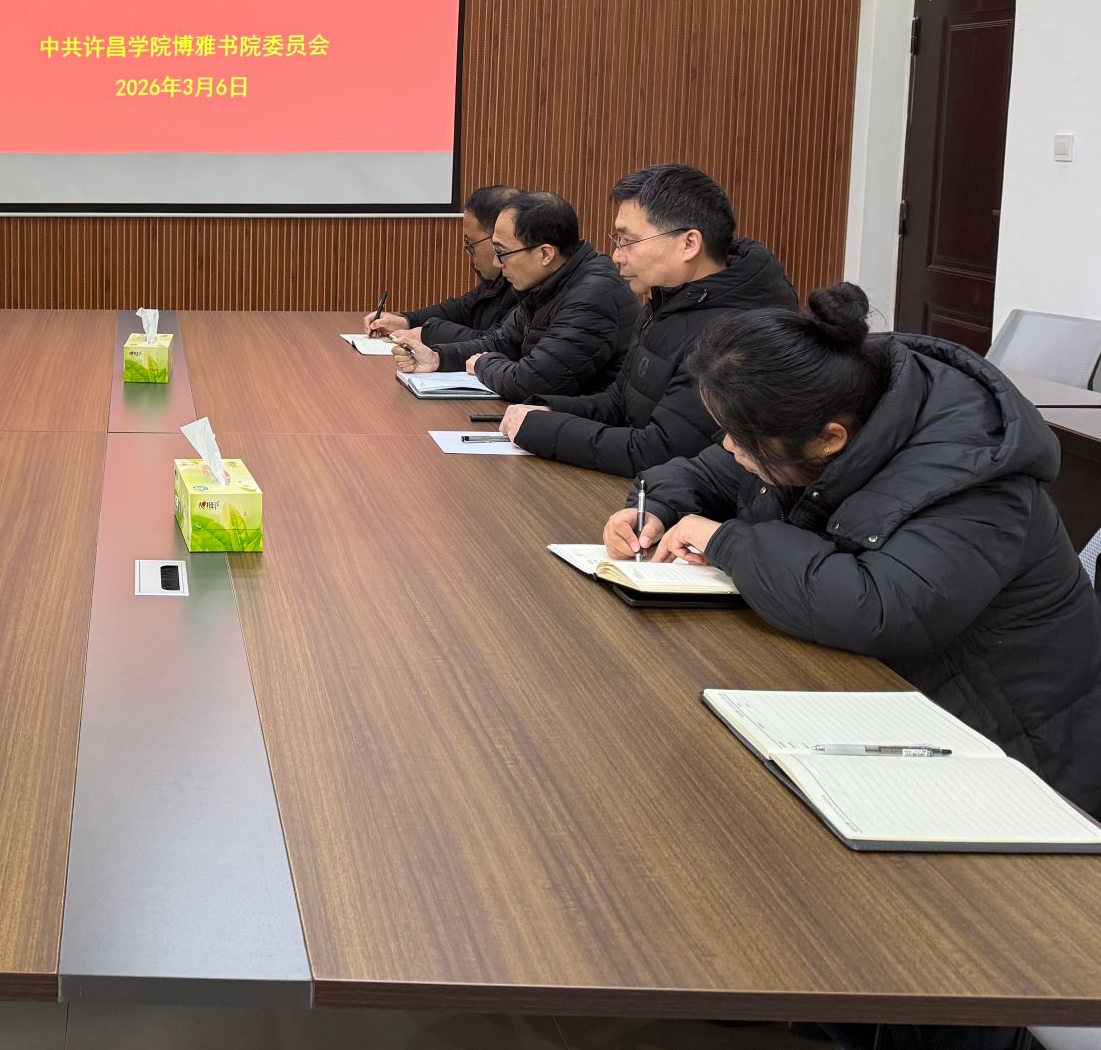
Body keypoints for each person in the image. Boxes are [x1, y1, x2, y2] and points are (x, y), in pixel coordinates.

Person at [602, 282, 1101, 815]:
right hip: (886, 711)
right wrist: (656, 509)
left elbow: (881, 609)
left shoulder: (974, 478)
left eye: (740, 438)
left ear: (830, 440)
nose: (728, 445)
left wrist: (726, 540)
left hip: (1017, 762)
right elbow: (705, 473)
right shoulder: (811, 408)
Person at [503, 164, 798, 473]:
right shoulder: (668, 301)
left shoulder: (735, 333)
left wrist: (541, 429)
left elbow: (659, 450)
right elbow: (618, 403)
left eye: (628, 241)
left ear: (689, 244)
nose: (617, 256)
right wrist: (545, 408)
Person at [392, 190, 636, 402]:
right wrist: (437, 358)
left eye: (502, 253)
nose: (497, 264)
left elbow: (532, 382)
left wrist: (482, 364)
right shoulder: (549, 283)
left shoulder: (592, 296)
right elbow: (500, 342)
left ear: (545, 254)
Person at [362, 184, 522, 345]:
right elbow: (462, 308)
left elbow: (496, 341)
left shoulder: (524, 286)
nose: (469, 253)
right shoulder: (499, 279)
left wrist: (427, 334)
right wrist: (406, 321)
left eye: (471, 244)